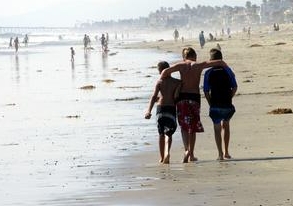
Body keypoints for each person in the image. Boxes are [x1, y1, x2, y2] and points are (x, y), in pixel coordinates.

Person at [160, 47, 227, 163]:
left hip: (182, 98)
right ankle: (191, 154)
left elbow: (165, 72)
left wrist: (163, 82)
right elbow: (220, 62)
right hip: (194, 98)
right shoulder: (199, 65)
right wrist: (226, 68)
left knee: (184, 126)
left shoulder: (180, 65)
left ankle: (186, 149)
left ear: (184, 57)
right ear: (194, 56)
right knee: (193, 127)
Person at [203, 48, 237, 161]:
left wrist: (210, 103)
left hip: (215, 105)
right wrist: (229, 97)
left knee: (217, 129)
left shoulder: (208, 73)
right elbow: (235, 86)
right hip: (227, 104)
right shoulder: (228, 70)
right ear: (221, 58)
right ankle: (227, 151)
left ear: (211, 61)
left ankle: (220, 154)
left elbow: (206, 91)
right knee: (226, 126)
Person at [145, 61, 181, 164]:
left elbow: (153, 97)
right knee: (168, 133)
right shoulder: (177, 82)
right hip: (171, 108)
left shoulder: (159, 82)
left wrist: (148, 111)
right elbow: (176, 97)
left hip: (160, 109)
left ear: (160, 71)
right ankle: (167, 153)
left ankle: (161, 157)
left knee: (161, 133)